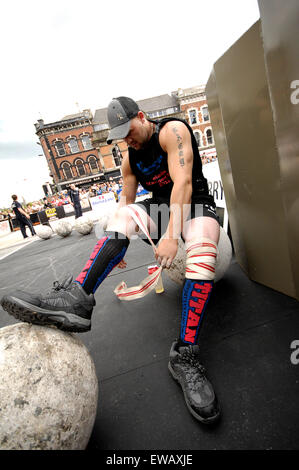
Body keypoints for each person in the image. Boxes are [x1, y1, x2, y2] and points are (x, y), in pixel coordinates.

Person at [1, 97, 220, 424]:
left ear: (142, 117)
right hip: (160, 209)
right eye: (120, 135)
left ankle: (185, 355)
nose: (127, 140)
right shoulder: (129, 159)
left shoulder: (171, 131)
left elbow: (184, 185)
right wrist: (114, 245)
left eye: (129, 131)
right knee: (119, 219)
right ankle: (76, 299)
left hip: (196, 206)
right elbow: (126, 203)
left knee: (202, 252)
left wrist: (173, 235)